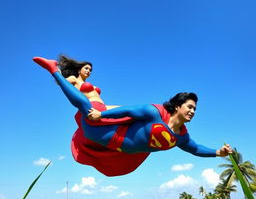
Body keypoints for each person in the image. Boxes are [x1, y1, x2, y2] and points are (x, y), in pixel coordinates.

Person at [33, 56, 232, 177]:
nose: (192, 112)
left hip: (120, 154)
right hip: (105, 133)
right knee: (87, 108)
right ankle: (54, 70)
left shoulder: (181, 136)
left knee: (90, 102)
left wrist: (217, 152)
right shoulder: (153, 112)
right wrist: (101, 114)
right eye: (189, 107)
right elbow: (128, 111)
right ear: (178, 106)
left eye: (195, 109)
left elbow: (195, 149)